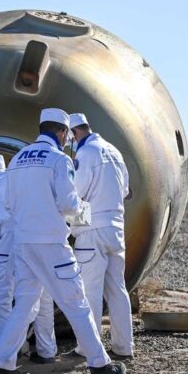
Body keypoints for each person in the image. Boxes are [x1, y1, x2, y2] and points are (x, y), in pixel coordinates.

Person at [0, 108, 126, 374]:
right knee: (77, 304)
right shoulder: (58, 160)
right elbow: (69, 205)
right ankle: (99, 364)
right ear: (62, 133)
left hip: (24, 243)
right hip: (52, 244)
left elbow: (11, 204)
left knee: (24, 305)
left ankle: (2, 363)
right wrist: (84, 214)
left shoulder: (16, 160)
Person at [0, 154, 56, 367]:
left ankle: (1, 352)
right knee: (42, 294)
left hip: (9, 238)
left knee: (2, 298)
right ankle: (46, 350)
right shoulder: (20, 176)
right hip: (38, 235)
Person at [69, 113, 133, 358]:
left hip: (92, 230)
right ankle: (123, 347)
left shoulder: (86, 154)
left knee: (90, 291)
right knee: (118, 289)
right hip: (116, 229)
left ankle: (89, 348)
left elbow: (76, 192)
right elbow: (125, 189)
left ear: (75, 134)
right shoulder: (114, 151)